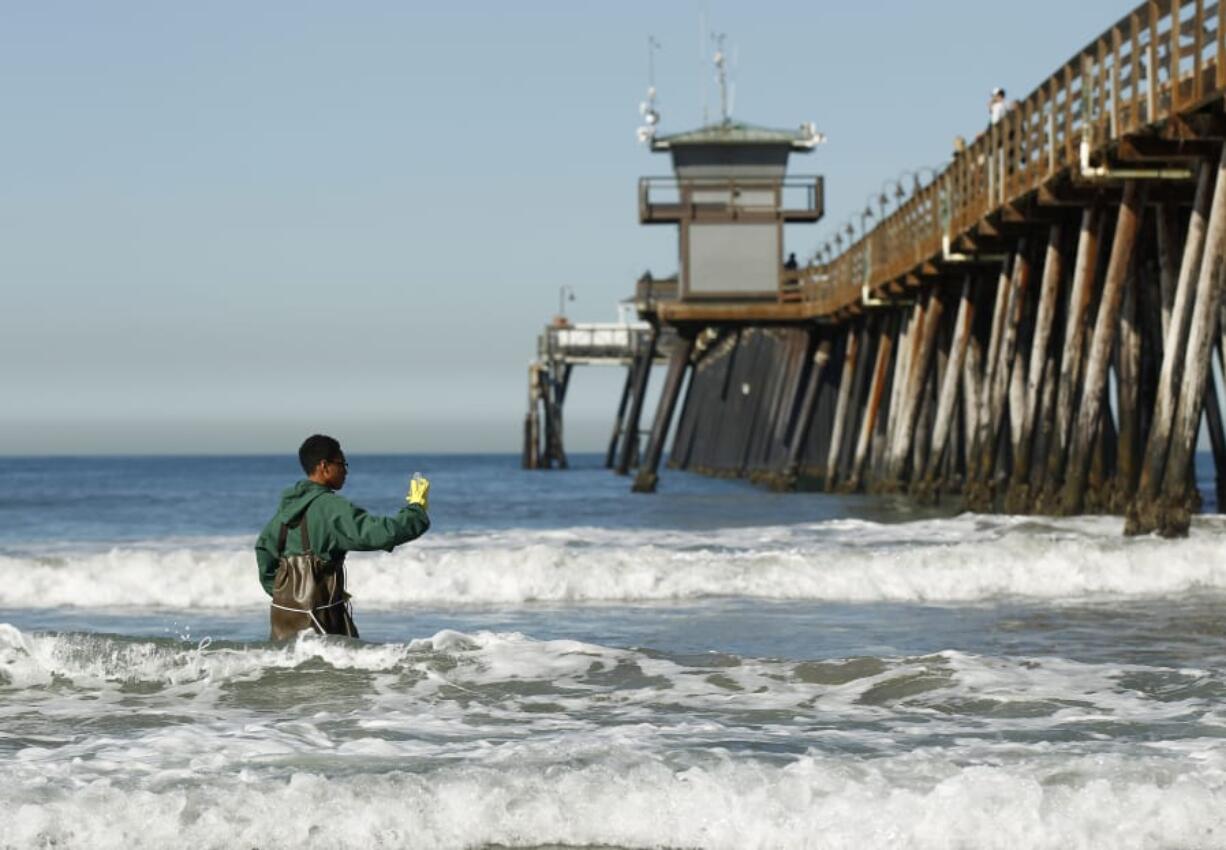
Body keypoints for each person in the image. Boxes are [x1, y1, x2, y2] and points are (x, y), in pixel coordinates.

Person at [254, 434, 430, 640]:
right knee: (341, 671)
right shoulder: (330, 508)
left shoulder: (286, 511)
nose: (345, 471)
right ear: (324, 466)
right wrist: (416, 509)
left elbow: (263, 551)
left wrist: (284, 594)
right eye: (341, 463)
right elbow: (380, 534)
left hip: (284, 623)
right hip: (322, 623)